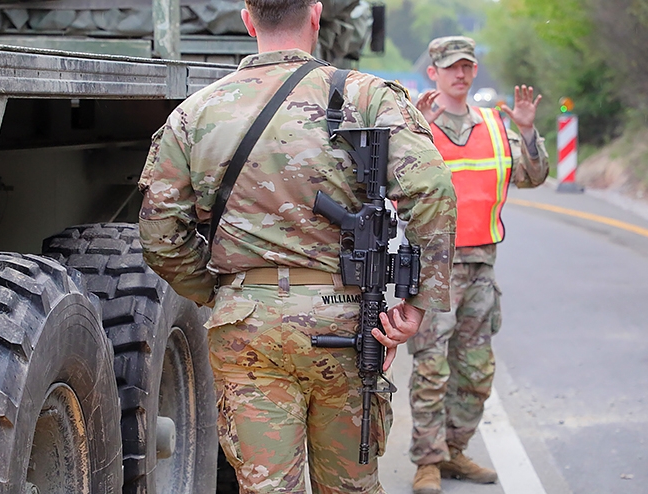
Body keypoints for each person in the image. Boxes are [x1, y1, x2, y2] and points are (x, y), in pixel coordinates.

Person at [137, 1, 457, 492]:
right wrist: (417, 303)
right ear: (316, 14)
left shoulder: (195, 111)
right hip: (345, 318)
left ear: (247, 20)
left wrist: (223, 295)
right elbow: (432, 188)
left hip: (246, 326)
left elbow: (160, 234)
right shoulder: (365, 96)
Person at [408, 36, 549, 494]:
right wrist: (417, 131)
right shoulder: (418, 124)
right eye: (451, 67)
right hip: (435, 268)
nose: (461, 74)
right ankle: (427, 462)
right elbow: (394, 183)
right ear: (434, 73)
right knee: (432, 367)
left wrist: (527, 132)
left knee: (475, 370)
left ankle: (454, 450)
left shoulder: (493, 124)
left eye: (467, 66)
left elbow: (531, 176)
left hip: (483, 267)